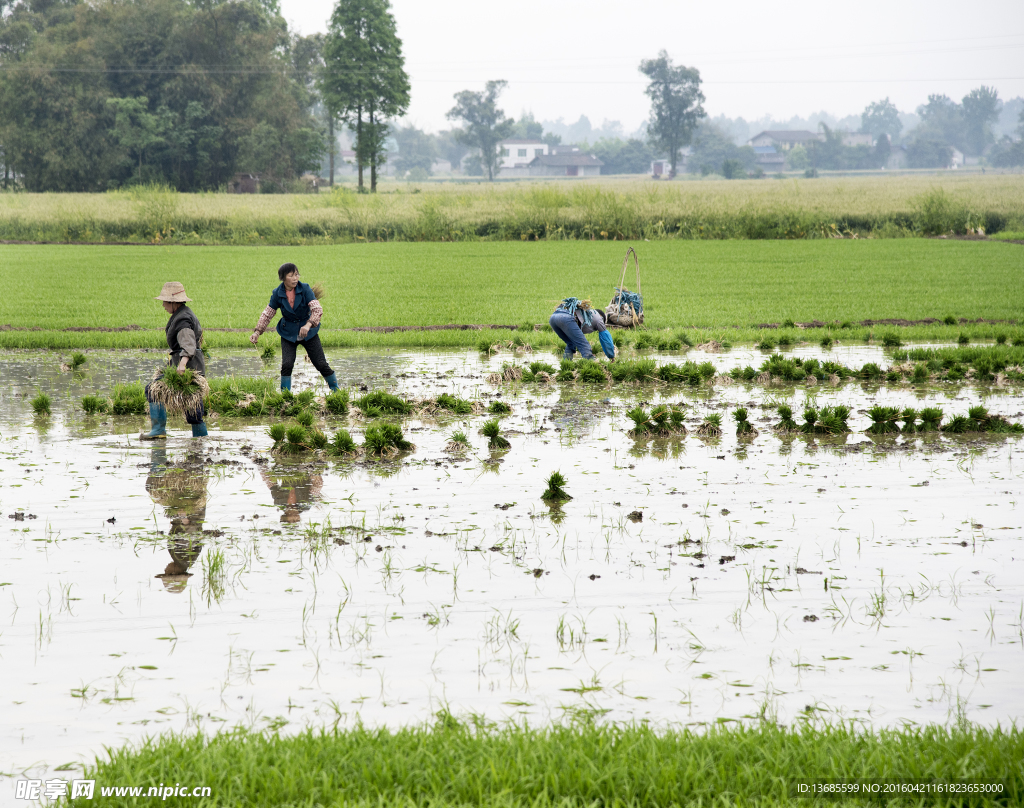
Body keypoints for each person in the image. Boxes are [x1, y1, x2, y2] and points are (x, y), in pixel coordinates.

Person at [250, 263, 339, 393]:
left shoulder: (305, 289)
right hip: (288, 333)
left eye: (296, 274)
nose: (295, 278)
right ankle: (285, 397)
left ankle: (337, 392)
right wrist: (257, 332)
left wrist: (308, 324)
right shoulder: (277, 293)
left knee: (321, 363)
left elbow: (317, 309)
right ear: (283, 278)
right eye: (291, 275)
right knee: (287, 365)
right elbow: (268, 313)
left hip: (309, 333)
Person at [142, 282, 208, 439]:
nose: (163, 305)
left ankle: (158, 430)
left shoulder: (182, 319)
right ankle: (201, 440)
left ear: (173, 302)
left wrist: (182, 365)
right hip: (193, 365)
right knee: (193, 404)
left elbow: (189, 344)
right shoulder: (183, 314)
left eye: (165, 302)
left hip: (187, 366)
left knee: (153, 389)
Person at [549, 297, 616, 361]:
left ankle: (566, 364)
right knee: (584, 346)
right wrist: (611, 356)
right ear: (601, 317)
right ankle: (593, 364)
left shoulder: (588, 313)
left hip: (553, 318)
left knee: (571, 343)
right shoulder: (599, 319)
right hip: (566, 318)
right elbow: (606, 339)